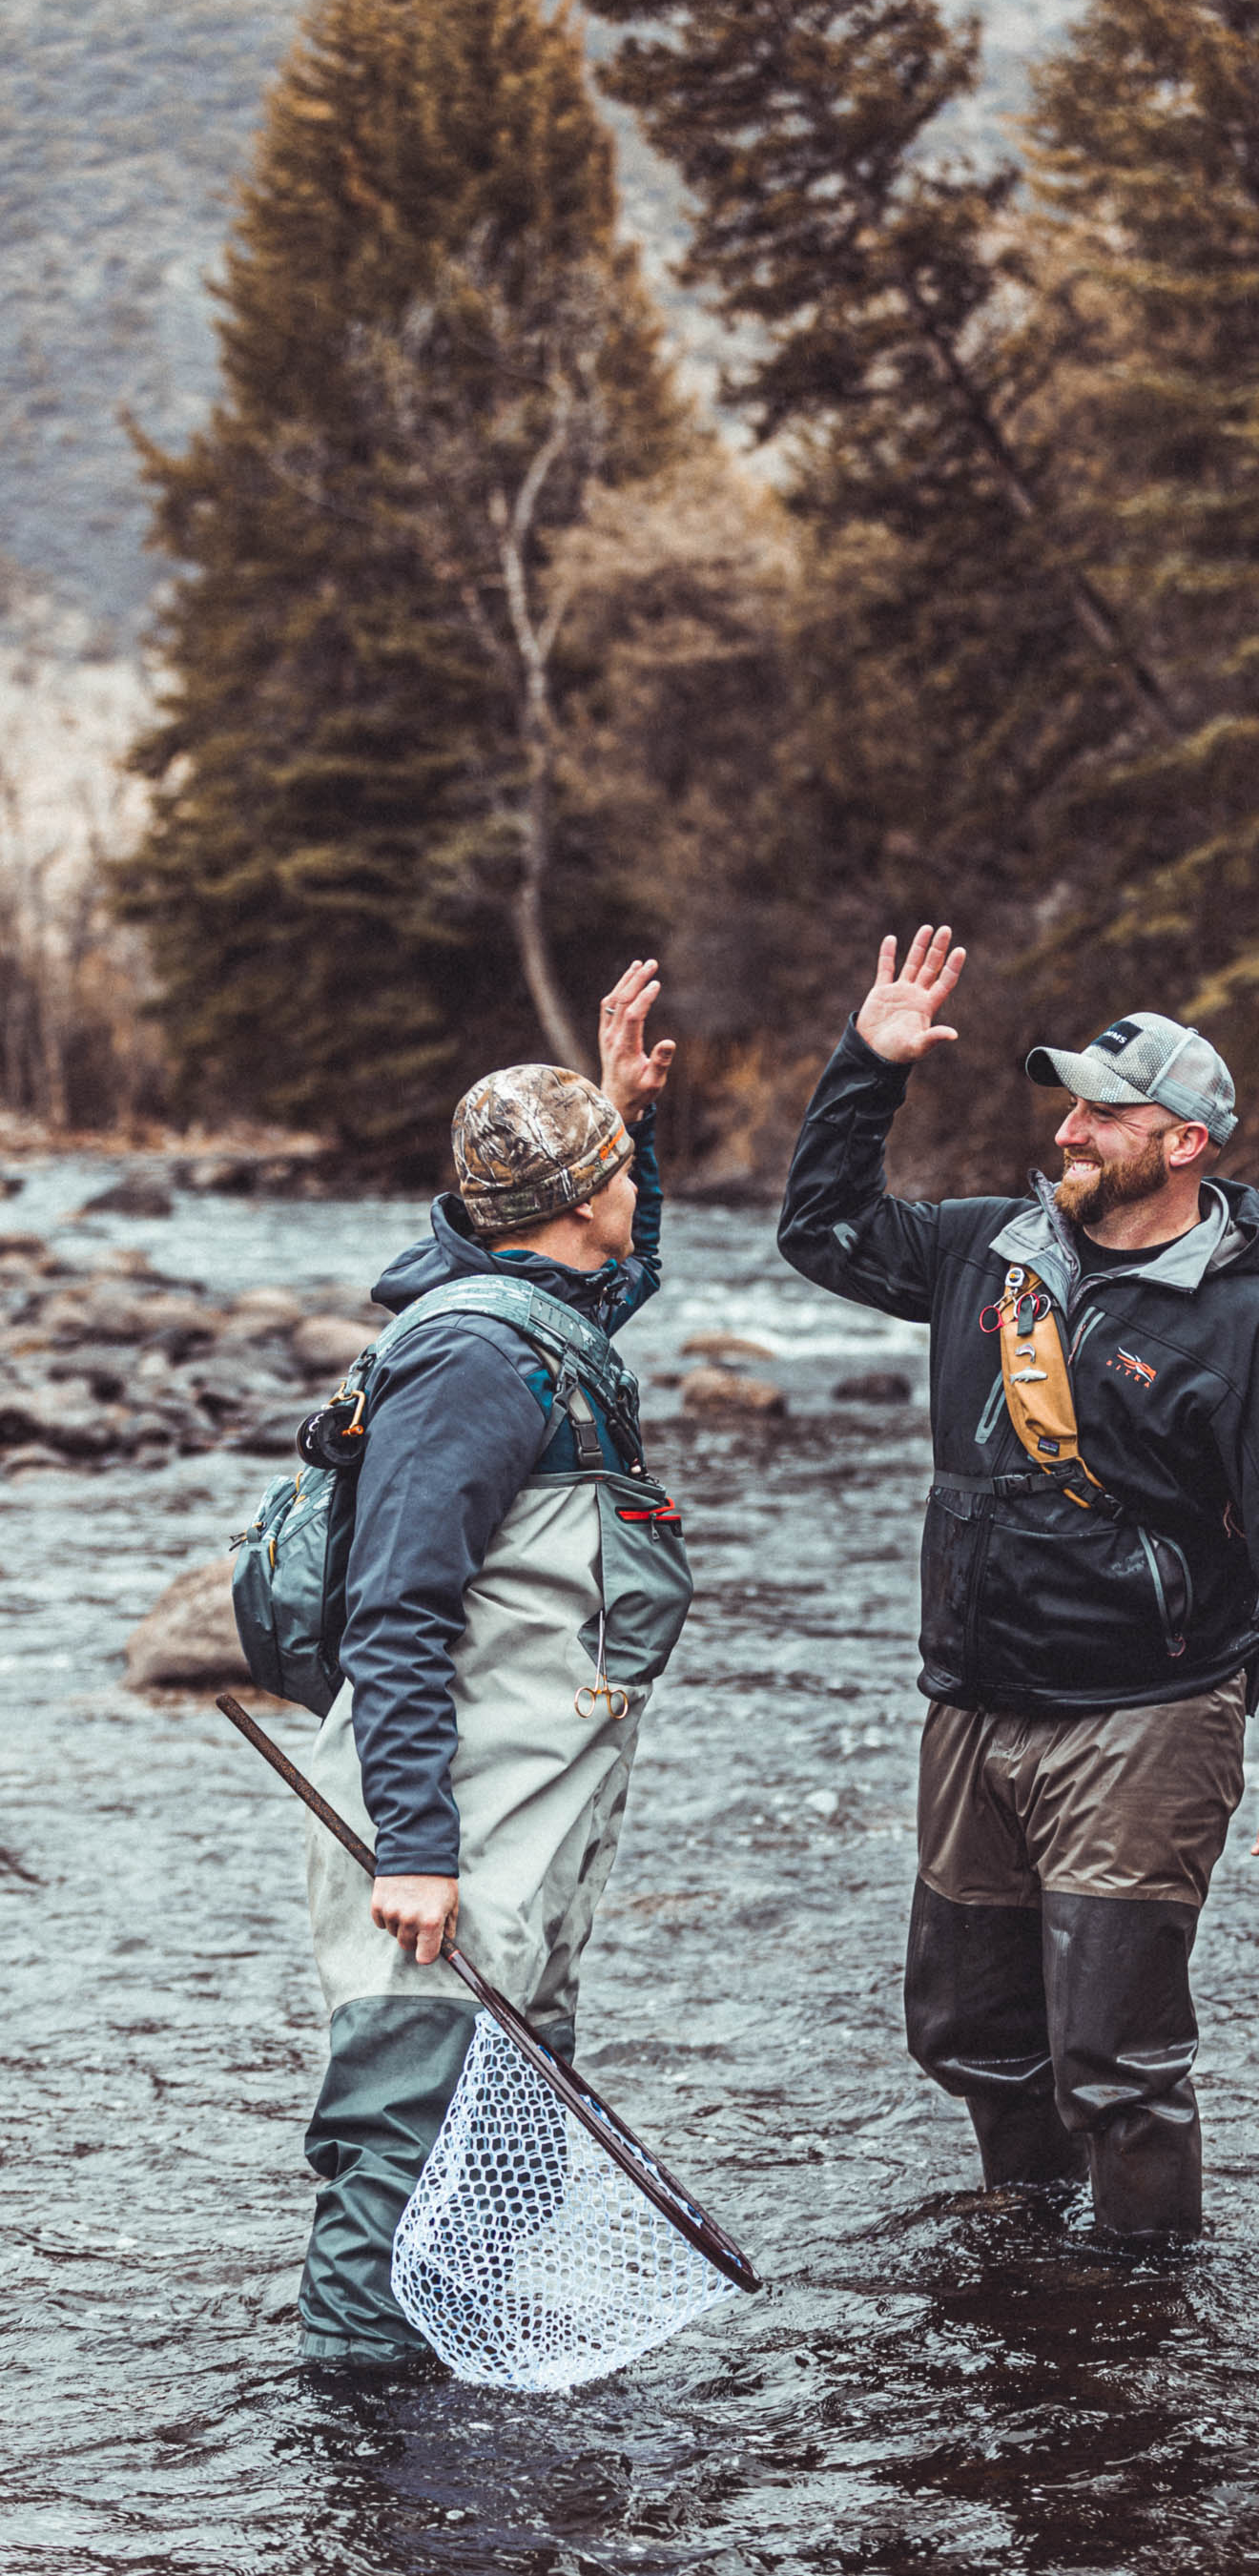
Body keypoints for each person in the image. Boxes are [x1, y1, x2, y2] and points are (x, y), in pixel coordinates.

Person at [778, 927, 1259, 2240]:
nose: (1068, 1131)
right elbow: (822, 1230)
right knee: (970, 2032)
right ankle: (1029, 2253)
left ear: (1186, 1144)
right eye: (1068, 1106)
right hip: (974, 1705)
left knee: (1114, 2061)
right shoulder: (983, 1254)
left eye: (1105, 1113)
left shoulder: (1249, 1330)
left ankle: (1140, 2304)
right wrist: (867, 1068)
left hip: (1146, 1718)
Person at [297, 960, 679, 2368]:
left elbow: (616, 1281)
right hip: (443, 1836)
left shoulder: (537, 1317)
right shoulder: (470, 1360)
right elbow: (395, 1611)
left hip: (520, 1822)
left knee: (498, 2151)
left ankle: (451, 2434)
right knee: (404, 2160)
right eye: (618, 1169)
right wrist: (413, 1848)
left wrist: (629, 1115)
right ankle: (359, 2440)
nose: (631, 1186)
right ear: (576, 1204)